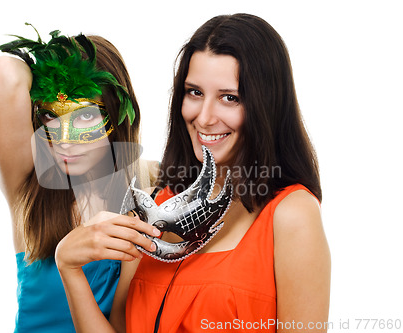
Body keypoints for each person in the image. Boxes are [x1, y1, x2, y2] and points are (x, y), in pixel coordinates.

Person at [56, 13, 331, 333]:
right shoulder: (160, 201)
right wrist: (68, 267)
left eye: (229, 97)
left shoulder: (292, 215)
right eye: (195, 93)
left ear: (265, 104)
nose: (204, 117)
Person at [0, 27, 159, 333]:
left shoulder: (151, 188)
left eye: (85, 116)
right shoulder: (29, 187)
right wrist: (54, 70)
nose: (63, 142)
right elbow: (2, 74)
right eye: (51, 116)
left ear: (116, 113)